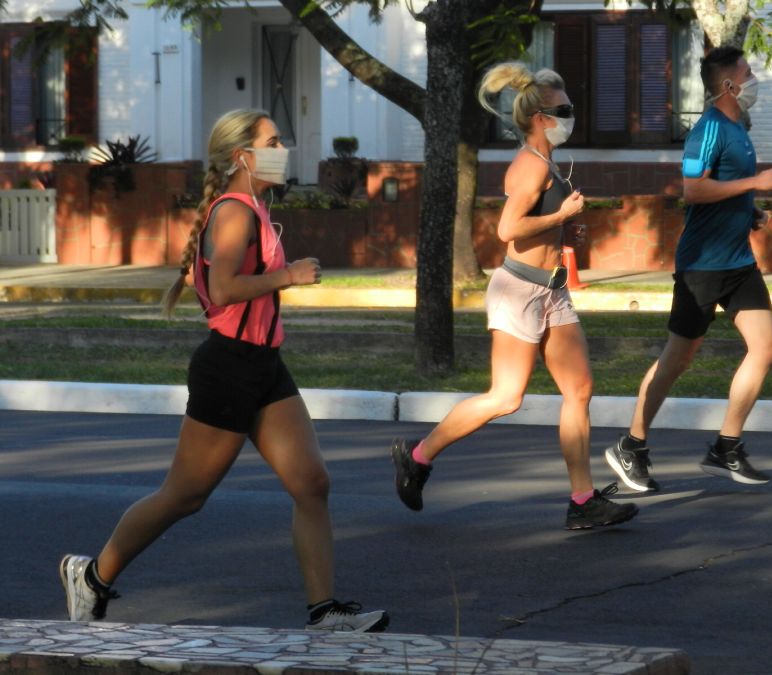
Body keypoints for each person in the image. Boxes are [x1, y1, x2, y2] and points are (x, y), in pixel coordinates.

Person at [59, 109, 388, 633]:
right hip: (229, 368)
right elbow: (225, 288)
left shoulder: (251, 208)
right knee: (185, 495)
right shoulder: (234, 212)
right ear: (242, 156)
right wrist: (289, 276)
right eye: (272, 142)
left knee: (312, 483)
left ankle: (325, 611)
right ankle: (93, 576)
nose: (283, 149)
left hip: (264, 366)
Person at [390, 63, 638, 531]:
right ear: (540, 117)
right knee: (506, 397)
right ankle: (418, 457)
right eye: (563, 109)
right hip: (518, 291)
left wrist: (566, 229)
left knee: (579, 389)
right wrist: (559, 216)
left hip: (552, 290)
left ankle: (583, 501)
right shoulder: (530, 165)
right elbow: (508, 229)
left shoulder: (548, 162)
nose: (570, 115)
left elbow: (538, 224)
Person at [604, 47, 772, 493]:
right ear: (729, 85)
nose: (754, 78)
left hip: (738, 262)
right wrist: (755, 183)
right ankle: (631, 445)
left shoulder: (739, 128)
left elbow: (725, 188)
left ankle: (726, 447)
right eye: (748, 72)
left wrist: (750, 211)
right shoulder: (708, 129)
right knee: (678, 358)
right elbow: (693, 190)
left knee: (765, 348)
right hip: (701, 266)